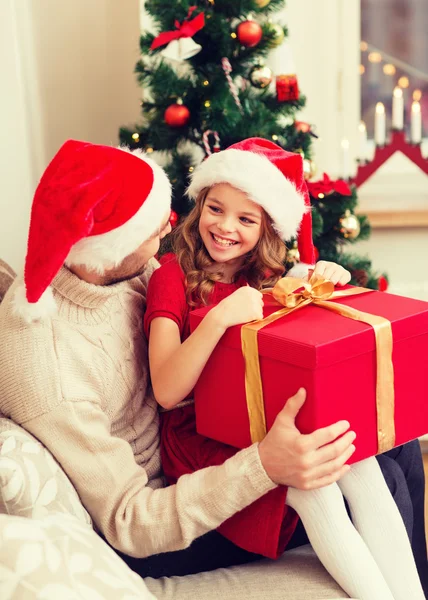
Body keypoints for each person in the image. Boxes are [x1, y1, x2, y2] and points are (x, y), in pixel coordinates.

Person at [0, 140, 425, 594]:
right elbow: (132, 519)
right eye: (151, 224)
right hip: (169, 504)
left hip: (222, 433)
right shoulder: (52, 366)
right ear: (110, 244)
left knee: (379, 451)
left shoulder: (124, 270)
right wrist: (265, 464)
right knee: (341, 474)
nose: (169, 224)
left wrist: (305, 280)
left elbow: (253, 298)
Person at [145, 137, 425, 600]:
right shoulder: (171, 275)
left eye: (246, 219)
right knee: (315, 491)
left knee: (354, 464)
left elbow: (300, 351)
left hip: (261, 427)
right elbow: (167, 391)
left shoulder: (266, 277)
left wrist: (322, 284)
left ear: (267, 228)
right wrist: (218, 317)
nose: (225, 227)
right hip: (202, 441)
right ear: (199, 206)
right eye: (216, 208)